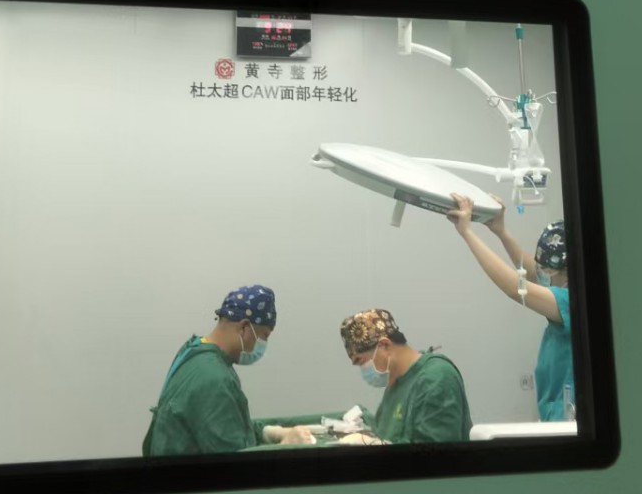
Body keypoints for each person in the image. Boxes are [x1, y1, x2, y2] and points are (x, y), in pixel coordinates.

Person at [142, 285, 315, 456]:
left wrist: (267, 433)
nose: (263, 344)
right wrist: (284, 447)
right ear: (244, 328)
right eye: (264, 336)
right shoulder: (214, 378)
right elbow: (233, 460)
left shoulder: (195, 349)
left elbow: (227, 427)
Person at [448, 195, 574, 421]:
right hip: (554, 413)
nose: (541, 275)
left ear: (562, 271)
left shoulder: (572, 302)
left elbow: (515, 287)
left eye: (547, 271)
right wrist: (501, 232)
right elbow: (531, 270)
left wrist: (466, 232)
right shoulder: (563, 287)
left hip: (565, 417)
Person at [339, 308, 472, 444]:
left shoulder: (436, 379)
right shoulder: (396, 382)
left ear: (385, 345)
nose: (363, 369)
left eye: (361, 361)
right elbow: (385, 432)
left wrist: (374, 444)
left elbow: (435, 453)